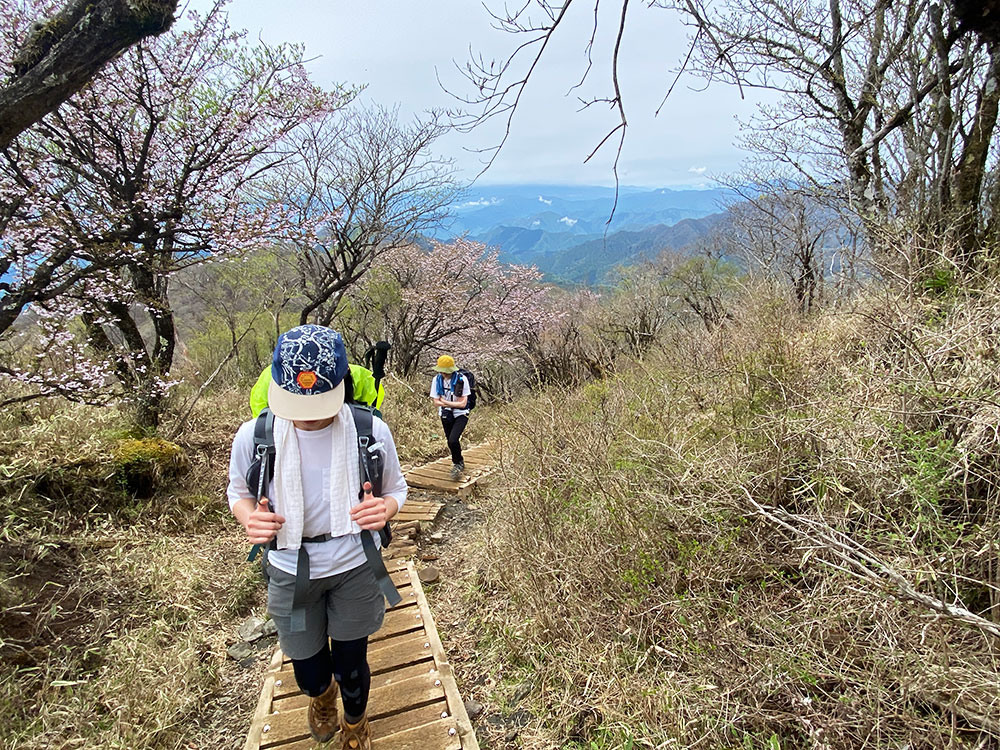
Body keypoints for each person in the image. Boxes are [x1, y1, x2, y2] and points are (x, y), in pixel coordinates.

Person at [227, 324, 406, 749]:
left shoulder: (370, 431)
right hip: (289, 567)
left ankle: (355, 722)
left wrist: (386, 509)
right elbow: (239, 492)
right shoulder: (255, 436)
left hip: (354, 565)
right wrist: (250, 518)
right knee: (308, 668)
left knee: (351, 662)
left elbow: (396, 489)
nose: (308, 415)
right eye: (297, 403)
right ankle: (320, 697)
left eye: (320, 404)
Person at [429, 354, 470, 480]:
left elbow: (463, 404)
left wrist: (446, 403)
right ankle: (457, 462)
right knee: (450, 441)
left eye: (446, 372)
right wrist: (452, 404)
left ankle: (458, 463)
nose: (444, 374)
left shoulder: (462, 379)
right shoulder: (437, 380)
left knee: (453, 439)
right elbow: (436, 401)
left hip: (461, 414)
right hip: (445, 414)